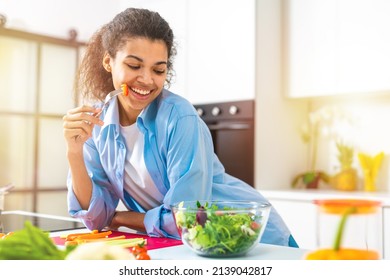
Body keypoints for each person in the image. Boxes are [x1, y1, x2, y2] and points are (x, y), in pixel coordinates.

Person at [62, 7, 298, 247]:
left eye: (158, 70)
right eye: (134, 66)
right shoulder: (97, 124)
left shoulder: (179, 118)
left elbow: (187, 220)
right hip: (195, 245)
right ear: (108, 62)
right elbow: (95, 217)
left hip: (253, 238)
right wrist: (74, 153)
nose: (146, 79)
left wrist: (122, 218)